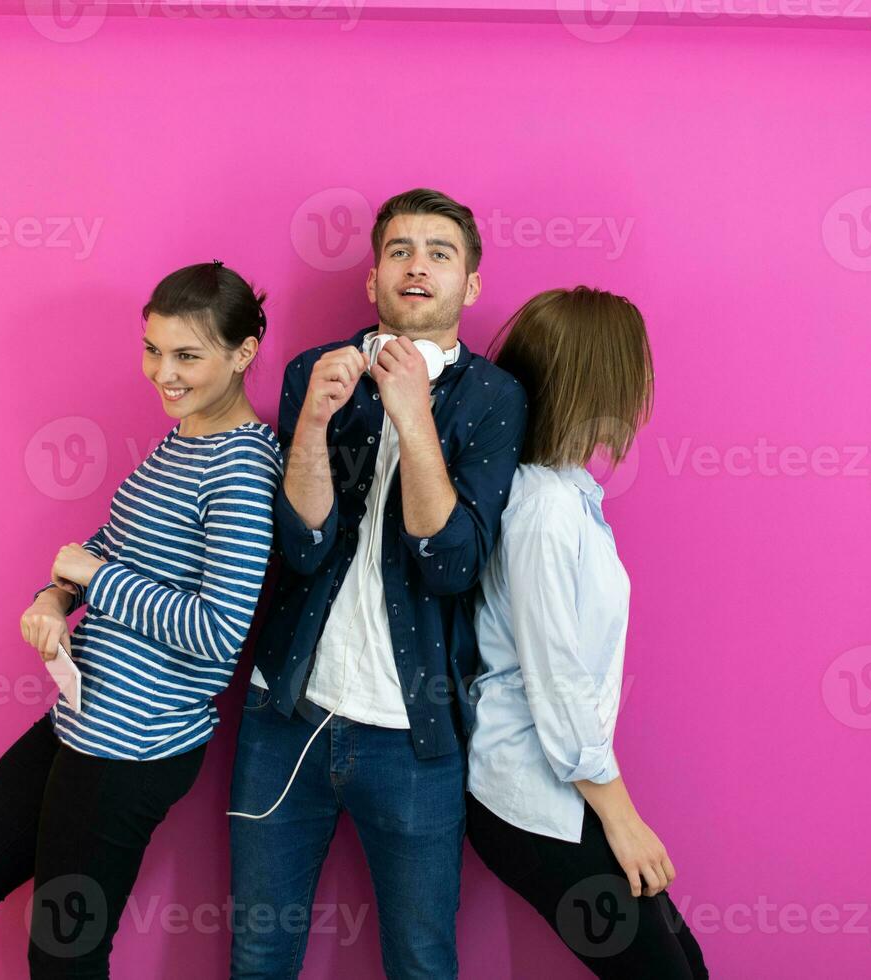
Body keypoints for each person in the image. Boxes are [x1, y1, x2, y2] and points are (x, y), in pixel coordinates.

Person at [0, 261, 283, 979]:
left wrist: (95, 579)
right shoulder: (181, 440)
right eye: (152, 349)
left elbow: (216, 632)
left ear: (244, 352)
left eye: (187, 356)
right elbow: (107, 546)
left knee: (62, 959)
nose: (162, 373)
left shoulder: (241, 470)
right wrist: (55, 597)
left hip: (132, 749)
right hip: (80, 718)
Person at [225, 188, 528, 980]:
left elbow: (451, 563)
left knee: (422, 963)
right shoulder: (314, 373)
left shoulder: (496, 398)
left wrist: (414, 417)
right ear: (373, 280)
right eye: (399, 250)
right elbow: (303, 544)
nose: (417, 266)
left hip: (416, 735)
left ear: (471, 285)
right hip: (287, 712)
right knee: (259, 954)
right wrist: (317, 426)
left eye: (440, 252)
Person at [464, 286, 709, 979]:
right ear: (597, 381)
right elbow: (556, 682)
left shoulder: (565, 492)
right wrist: (622, 819)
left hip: (564, 787)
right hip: (531, 796)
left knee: (683, 967)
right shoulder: (543, 510)